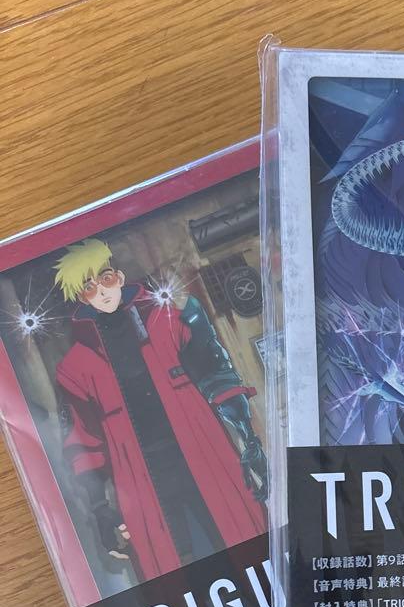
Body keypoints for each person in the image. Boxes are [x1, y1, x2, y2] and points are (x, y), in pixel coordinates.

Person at [53, 238, 267, 579]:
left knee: (247, 545)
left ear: (119, 277)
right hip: (143, 483)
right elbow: (84, 444)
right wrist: (100, 510)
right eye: (90, 287)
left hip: (206, 456)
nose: (102, 291)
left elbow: (217, 376)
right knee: (176, 573)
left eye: (105, 278)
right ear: (81, 297)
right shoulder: (75, 367)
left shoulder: (168, 321)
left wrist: (250, 441)